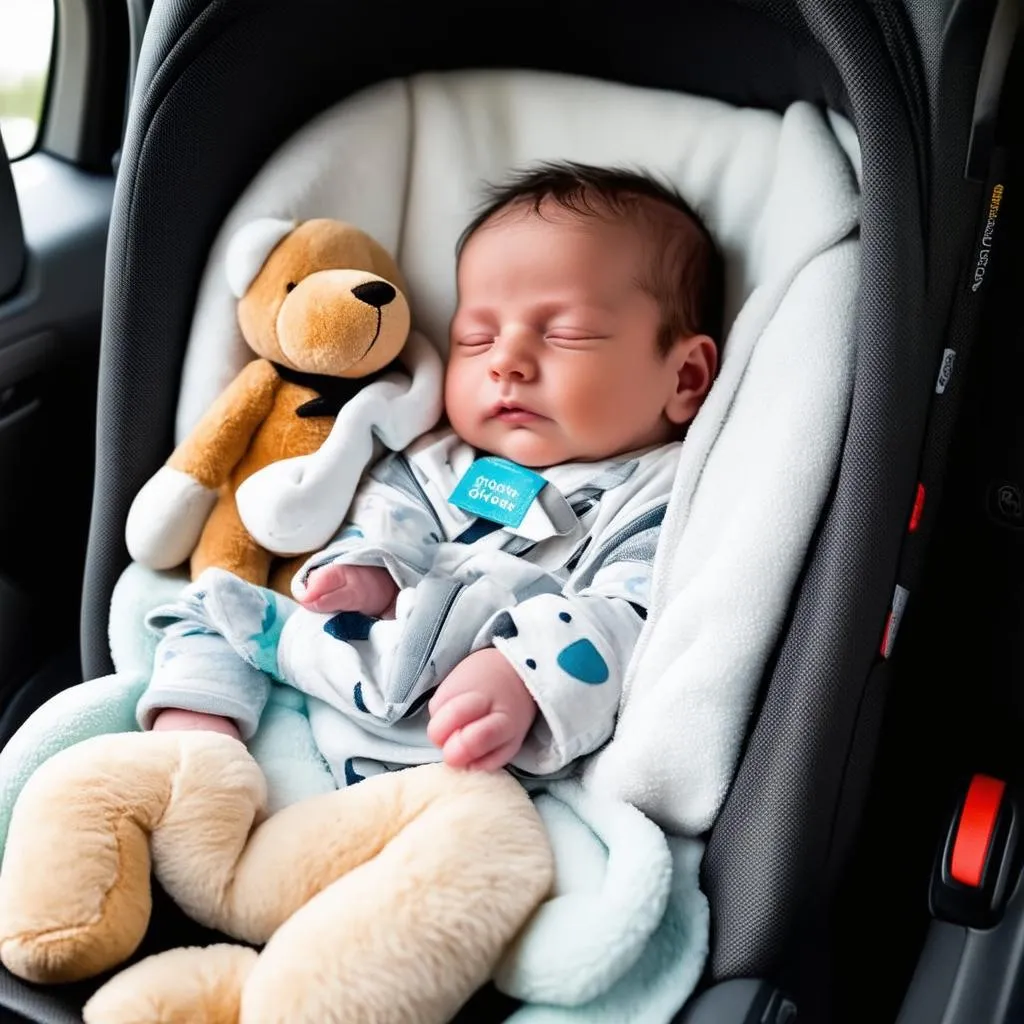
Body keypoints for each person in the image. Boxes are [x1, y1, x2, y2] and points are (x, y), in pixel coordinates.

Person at [139, 161, 724, 785]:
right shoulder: (438, 456)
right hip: (351, 665)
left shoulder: (664, 490)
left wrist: (519, 671)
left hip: (472, 739)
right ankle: (196, 739)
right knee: (214, 605)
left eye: (566, 334)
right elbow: (385, 517)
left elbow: (635, 611)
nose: (507, 362)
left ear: (684, 377)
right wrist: (367, 571)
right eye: (476, 339)